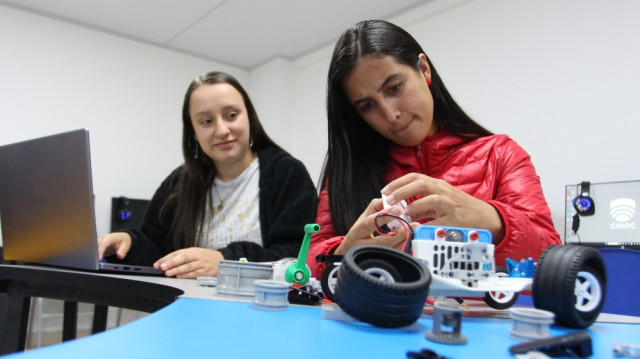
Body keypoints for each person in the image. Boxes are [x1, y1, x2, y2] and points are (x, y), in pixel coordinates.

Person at [308, 20, 561, 279]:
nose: (390, 114)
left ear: (424, 69)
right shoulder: (349, 171)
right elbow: (307, 264)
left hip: (480, 318)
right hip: (378, 316)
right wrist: (344, 253)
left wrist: (492, 220)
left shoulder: (501, 154)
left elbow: (552, 256)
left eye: (394, 88)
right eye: (367, 106)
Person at [98, 71, 318, 278]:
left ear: (249, 117)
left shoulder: (286, 173)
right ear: (193, 132)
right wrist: (128, 241)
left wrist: (226, 262)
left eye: (231, 115)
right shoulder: (178, 183)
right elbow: (155, 250)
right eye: (206, 121)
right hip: (186, 310)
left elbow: (297, 256)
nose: (222, 130)